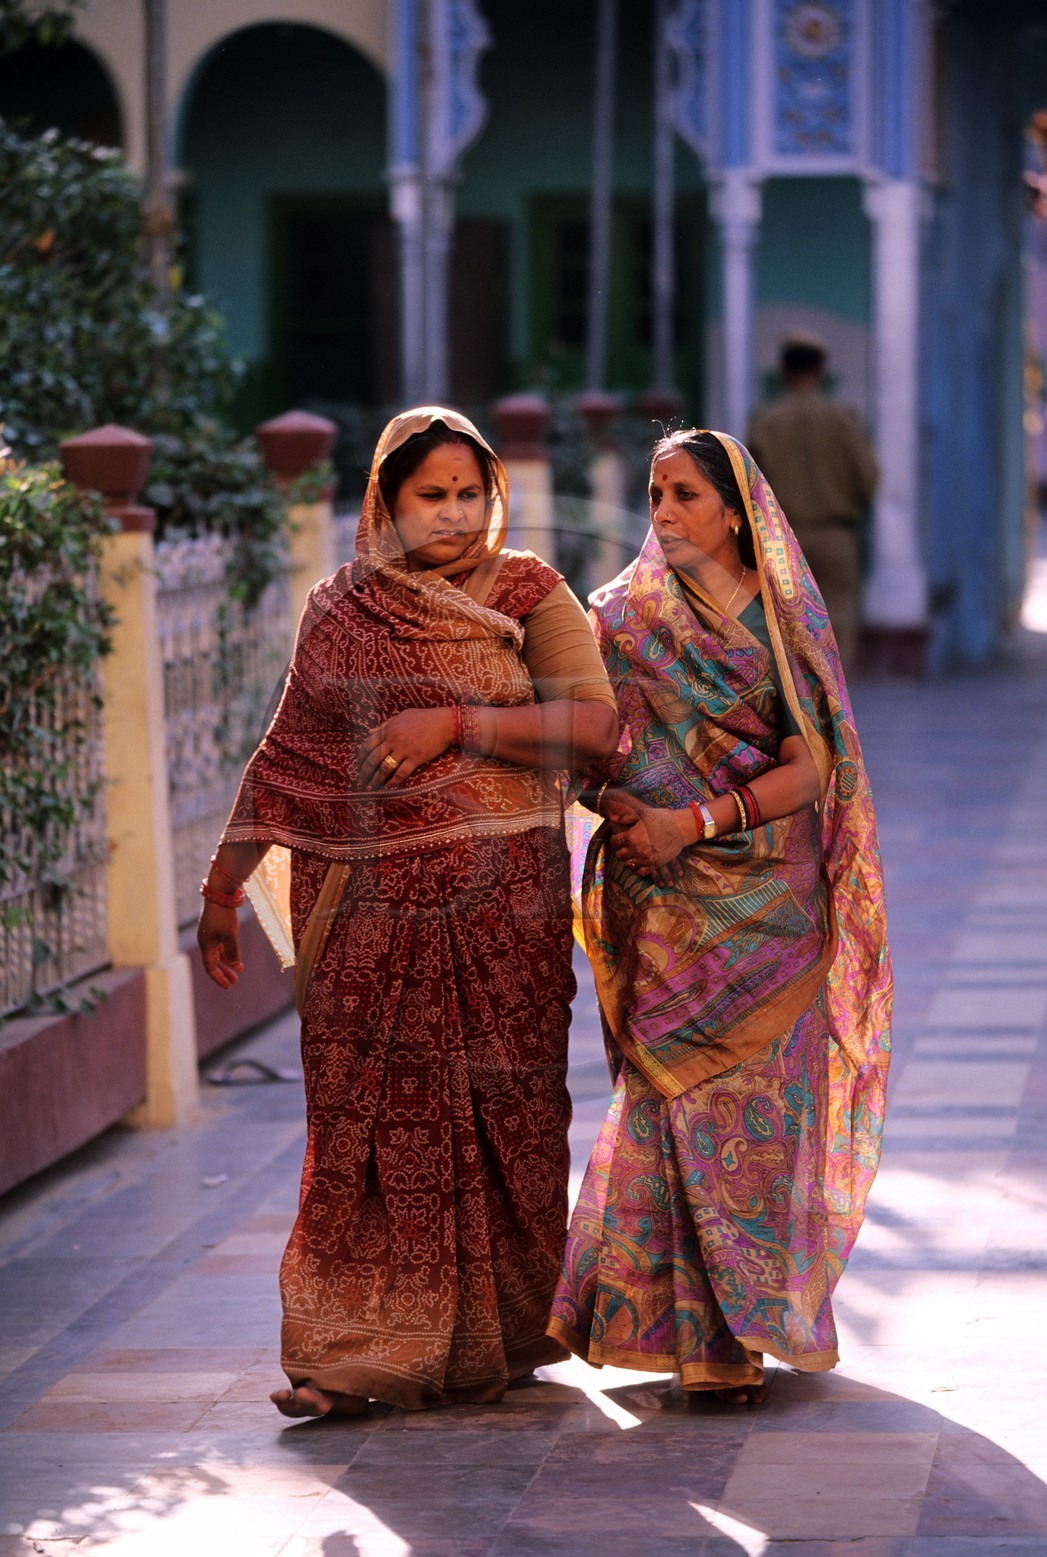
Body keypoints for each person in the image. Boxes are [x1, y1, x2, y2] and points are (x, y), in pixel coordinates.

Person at [198, 406, 618, 1417]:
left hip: (503, 915)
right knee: (367, 1136)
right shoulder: (341, 608)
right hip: (364, 918)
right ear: (385, 502)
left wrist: (458, 723)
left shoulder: (529, 592)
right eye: (432, 495)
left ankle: (498, 1337)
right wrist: (221, 888)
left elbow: (595, 728)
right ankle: (350, 1358)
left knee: (507, 1122)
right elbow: (288, 758)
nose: (454, 514)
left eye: (470, 494)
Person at [549, 427, 892, 1402]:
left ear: (737, 513)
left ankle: (747, 1322)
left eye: (685, 494)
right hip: (659, 901)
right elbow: (589, 745)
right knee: (671, 1104)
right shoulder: (619, 617)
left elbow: (811, 765)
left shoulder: (784, 621)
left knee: (757, 1118)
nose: (663, 511)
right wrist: (626, 810)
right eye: (655, 492)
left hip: (767, 904)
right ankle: (688, 1336)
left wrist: (692, 821)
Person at [747, 333, 878, 670]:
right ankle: (831, 699)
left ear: (783, 370)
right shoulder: (843, 420)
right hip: (836, 536)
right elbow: (868, 479)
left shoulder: (765, 423)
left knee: (786, 633)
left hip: (782, 540)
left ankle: (797, 701)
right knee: (838, 628)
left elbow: (747, 487)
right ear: (821, 370)